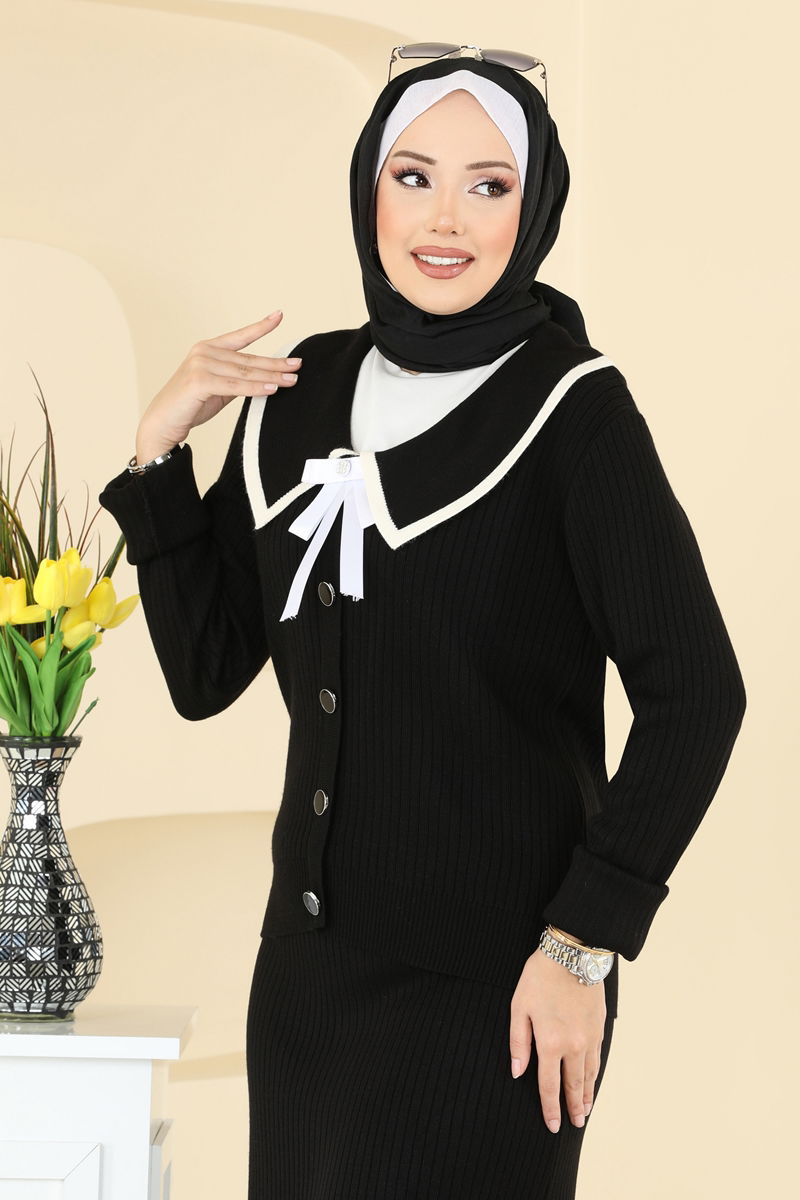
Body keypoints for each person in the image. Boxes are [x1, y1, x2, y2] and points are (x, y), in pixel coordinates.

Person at [99, 50, 747, 1200]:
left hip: (503, 992)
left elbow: (696, 694)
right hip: (306, 989)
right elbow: (206, 673)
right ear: (369, 193)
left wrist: (580, 945)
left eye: (487, 185)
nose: (444, 219)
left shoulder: (573, 411)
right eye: (413, 178)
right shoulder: (292, 397)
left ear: (532, 210)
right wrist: (157, 456)